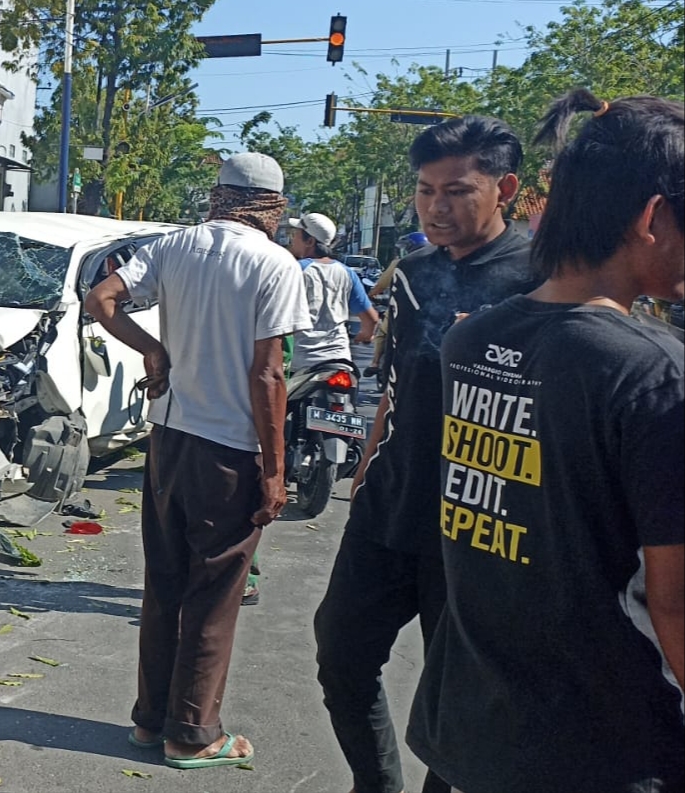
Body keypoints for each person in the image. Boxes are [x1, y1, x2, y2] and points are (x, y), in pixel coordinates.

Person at [408, 90, 685, 793]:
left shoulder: (472, 339)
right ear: (652, 217)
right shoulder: (653, 371)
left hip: (473, 730)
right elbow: (674, 600)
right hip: (602, 747)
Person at [313, 116, 539, 793]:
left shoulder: (538, 278)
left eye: (456, 190)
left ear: (505, 188)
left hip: (483, 518)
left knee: (469, 685)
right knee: (341, 654)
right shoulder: (409, 274)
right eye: (424, 190)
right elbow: (398, 375)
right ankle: (374, 783)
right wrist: (365, 463)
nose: (436, 207)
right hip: (392, 501)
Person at [85, 152, 310, 770]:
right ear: (272, 206)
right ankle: (192, 733)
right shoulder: (274, 263)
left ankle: (150, 720)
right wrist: (274, 469)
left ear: (219, 196)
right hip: (230, 449)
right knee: (215, 591)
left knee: (165, 581)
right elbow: (268, 374)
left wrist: (153, 353)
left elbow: (99, 299)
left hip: (169, 438)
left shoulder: (171, 245)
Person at [286, 212, 379, 370]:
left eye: (296, 234)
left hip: (301, 361)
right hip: (339, 360)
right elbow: (371, 319)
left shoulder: (295, 269)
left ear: (310, 241)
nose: (292, 239)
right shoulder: (347, 272)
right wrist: (366, 334)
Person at [365, 231, 428, 378]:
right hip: (428, 314)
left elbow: (380, 286)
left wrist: (370, 295)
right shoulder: (435, 264)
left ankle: (374, 363)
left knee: (382, 332)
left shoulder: (401, 264)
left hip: (402, 310)